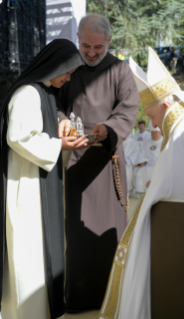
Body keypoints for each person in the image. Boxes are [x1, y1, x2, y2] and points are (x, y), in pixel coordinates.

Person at [99, 48, 184, 319]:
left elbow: (164, 189)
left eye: (151, 115)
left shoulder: (182, 131)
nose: (154, 123)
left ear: (164, 104)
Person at [0, 39, 88, 319]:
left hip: (38, 187)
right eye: (68, 71)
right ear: (56, 65)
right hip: (26, 191)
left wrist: (60, 134)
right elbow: (18, 137)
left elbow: (41, 135)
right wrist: (60, 146)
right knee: (29, 259)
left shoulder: (45, 93)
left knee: (40, 258)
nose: (68, 77)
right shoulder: (28, 93)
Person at [57, 13, 138, 313]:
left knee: (109, 239)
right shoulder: (69, 69)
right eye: (86, 46)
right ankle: (78, 301)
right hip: (76, 164)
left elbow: (128, 110)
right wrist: (63, 122)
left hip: (108, 163)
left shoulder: (120, 71)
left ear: (108, 42)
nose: (91, 53)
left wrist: (108, 129)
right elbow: (55, 104)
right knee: (78, 242)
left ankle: (111, 301)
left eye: (98, 48)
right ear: (78, 39)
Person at [133, 121, 163, 197]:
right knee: (141, 171)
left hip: (160, 164)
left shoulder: (164, 142)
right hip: (148, 165)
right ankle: (141, 193)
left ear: (160, 133)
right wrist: (142, 161)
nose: (154, 135)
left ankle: (158, 193)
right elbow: (141, 153)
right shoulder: (145, 143)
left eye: (156, 133)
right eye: (153, 133)